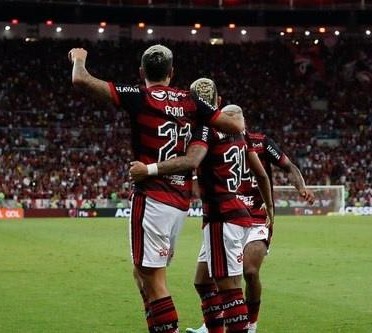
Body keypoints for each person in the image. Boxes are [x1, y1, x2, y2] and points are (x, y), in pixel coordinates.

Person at [68, 46, 245, 333]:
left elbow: (81, 80)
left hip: (151, 198)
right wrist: (205, 116)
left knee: (154, 281)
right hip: (178, 202)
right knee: (143, 275)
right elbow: (233, 125)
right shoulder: (190, 102)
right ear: (172, 73)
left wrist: (78, 58)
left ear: (141, 73)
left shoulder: (139, 96)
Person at [130, 78, 274, 333]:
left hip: (222, 215)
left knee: (229, 288)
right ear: (218, 102)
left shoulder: (205, 129)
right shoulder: (239, 132)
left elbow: (191, 159)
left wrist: (150, 169)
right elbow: (262, 174)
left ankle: (245, 328)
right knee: (203, 281)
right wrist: (270, 209)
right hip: (234, 212)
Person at [187, 128, 315, 333]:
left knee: (249, 270)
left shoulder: (260, 142)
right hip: (226, 216)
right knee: (203, 279)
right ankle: (215, 323)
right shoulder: (214, 140)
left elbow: (289, 167)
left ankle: (250, 324)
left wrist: (301, 187)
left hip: (256, 217)